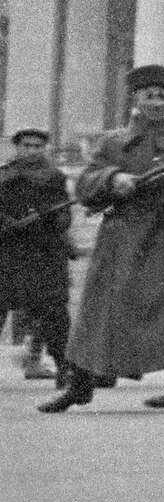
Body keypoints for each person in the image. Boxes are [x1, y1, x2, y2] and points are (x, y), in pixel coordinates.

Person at [41, 64, 164, 414]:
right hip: (121, 235)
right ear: (134, 98)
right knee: (101, 311)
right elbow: (85, 185)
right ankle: (79, 385)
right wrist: (113, 178)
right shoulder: (113, 142)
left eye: (163, 95)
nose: (157, 101)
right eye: (149, 94)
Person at [1, 127, 72, 394]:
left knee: (54, 314)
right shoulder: (4, 176)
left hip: (45, 253)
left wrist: (49, 219)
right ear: (16, 147)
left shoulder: (55, 178)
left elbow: (64, 215)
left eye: (37, 146)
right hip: (8, 253)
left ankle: (64, 368)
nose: (31, 151)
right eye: (26, 146)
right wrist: (9, 223)